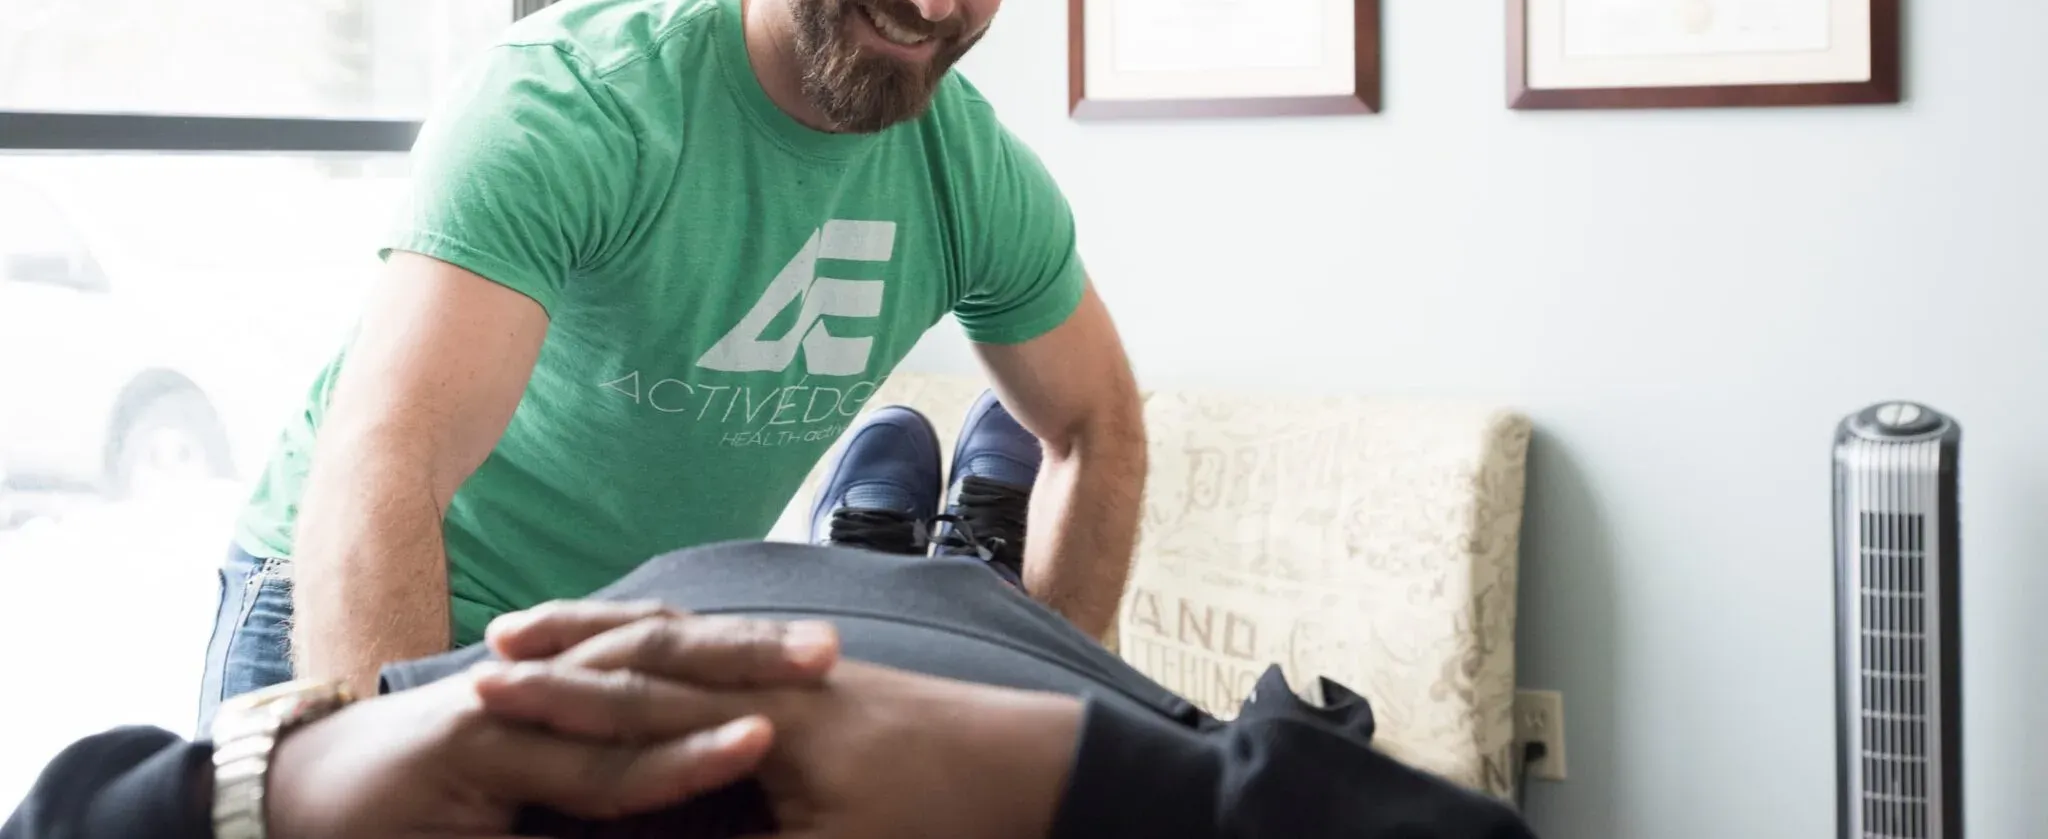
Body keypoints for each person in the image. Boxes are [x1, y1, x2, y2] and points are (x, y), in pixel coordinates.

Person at [199, 0, 1148, 730]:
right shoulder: (572, 104)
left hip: (625, 639)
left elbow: (1099, 425)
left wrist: (1054, 712)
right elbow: (388, 455)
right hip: (359, 596)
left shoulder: (967, 171)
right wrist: (398, 754)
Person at [14, 402, 1538, 839]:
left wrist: (280, 775)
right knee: (956, 620)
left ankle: (897, 557)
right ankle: (963, 573)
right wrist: (1066, 770)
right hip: (965, 700)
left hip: (671, 645)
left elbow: (66, 811)